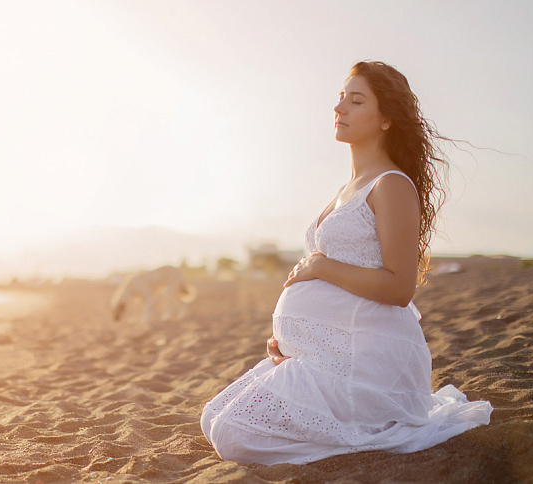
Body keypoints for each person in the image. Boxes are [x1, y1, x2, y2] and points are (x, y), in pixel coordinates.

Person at [200, 61, 493, 465]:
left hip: (368, 366)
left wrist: (320, 268)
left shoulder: (390, 185)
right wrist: (294, 342)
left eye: (356, 101)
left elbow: (399, 287)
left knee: (232, 435)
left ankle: (366, 435)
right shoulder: (347, 188)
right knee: (212, 417)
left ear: (387, 119)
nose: (339, 109)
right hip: (327, 356)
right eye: (341, 98)